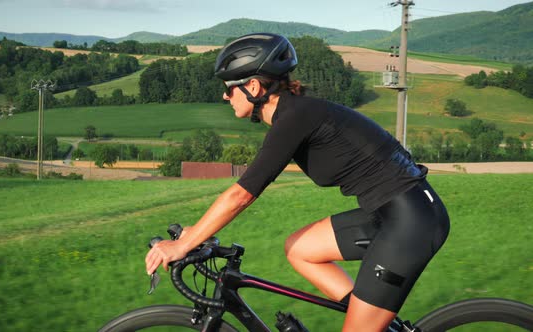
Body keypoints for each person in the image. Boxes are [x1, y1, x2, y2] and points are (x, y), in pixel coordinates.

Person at [145, 33, 450, 331]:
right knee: (299, 249)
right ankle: (381, 320)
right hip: (391, 213)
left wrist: (186, 243)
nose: (225, 96)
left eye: (229, 89)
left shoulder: (295, 118)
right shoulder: (294, 115)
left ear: (252, 86)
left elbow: (242, 194)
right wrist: (197, 233)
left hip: (410, 223)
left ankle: (370, 318)